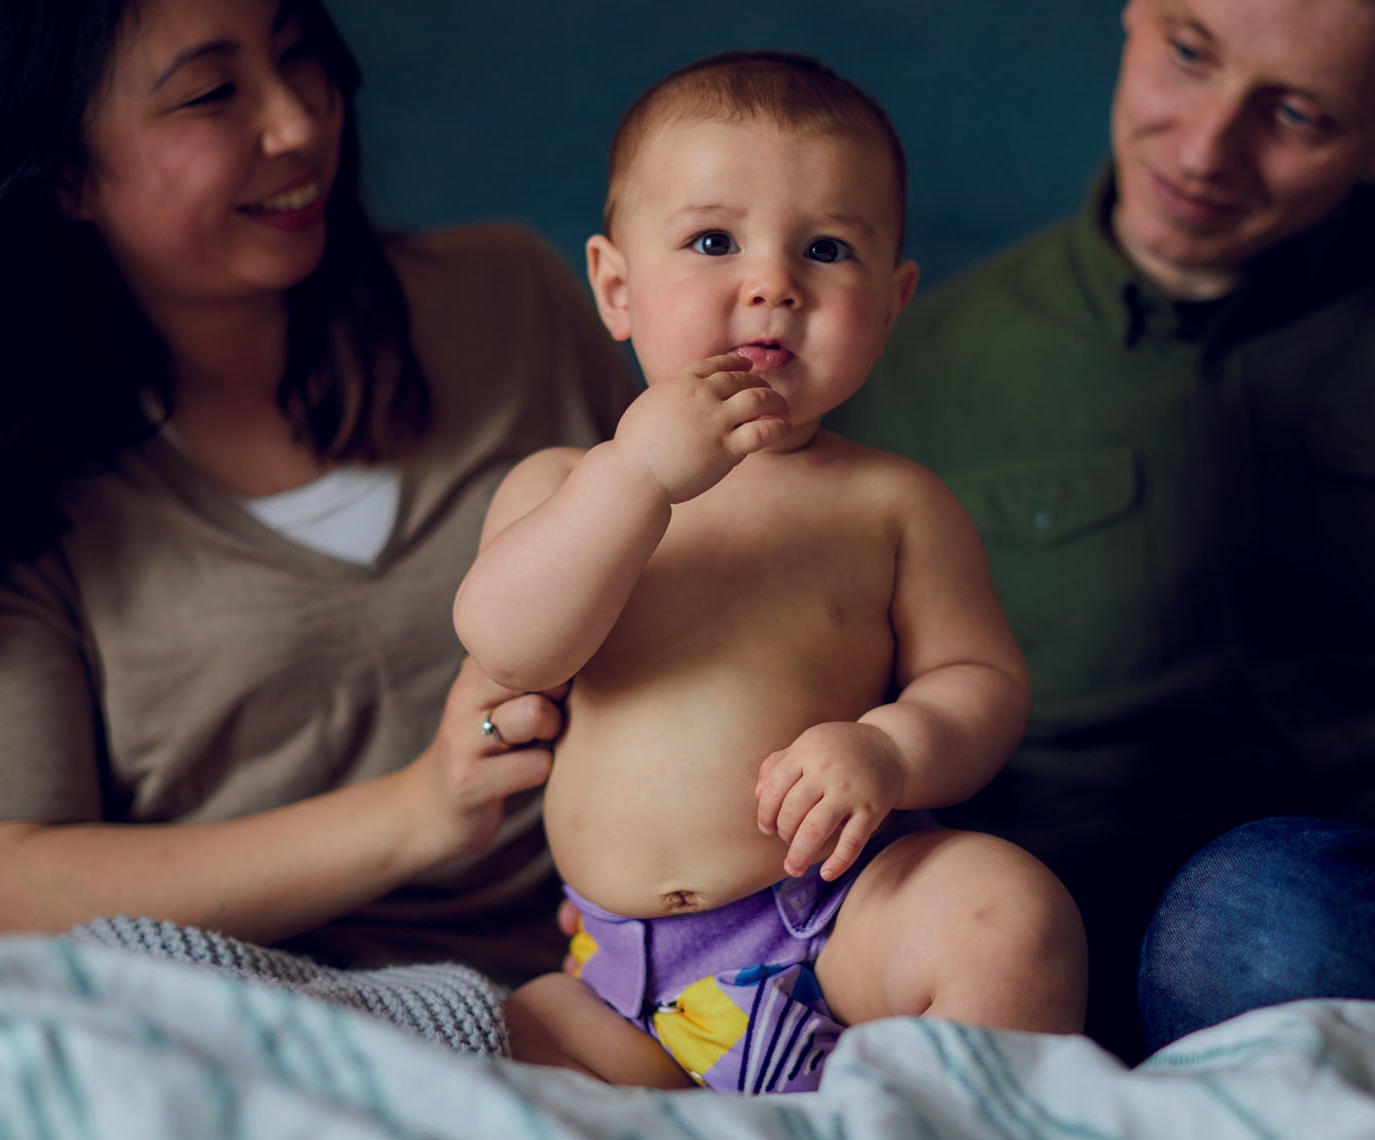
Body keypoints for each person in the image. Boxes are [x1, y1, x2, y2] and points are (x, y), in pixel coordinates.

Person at [830, 0, 1375, 1062]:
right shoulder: (896, 379)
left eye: (1297, 114)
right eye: (1189, 53)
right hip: (1241, 920)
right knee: (1256, 929)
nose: (1207, 148)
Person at [0, 0, 633, 983]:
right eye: (212, 93)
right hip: (280, 1021)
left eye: (298, 54)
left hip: (635, 974)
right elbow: (7, 887)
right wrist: (418, 811)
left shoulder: (510, 299)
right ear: (60, 172)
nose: (299, 123)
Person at [454, 51, 1087, 1093]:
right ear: (614, 288)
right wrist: (640, 478)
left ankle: (947, 1116)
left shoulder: (892, 504)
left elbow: (980, 684)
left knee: (1007, 913)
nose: (772, 285)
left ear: (891, 302)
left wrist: (888, 747)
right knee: (500, 1046)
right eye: (713, 240)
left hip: (841, 923)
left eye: (827, 250)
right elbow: (509, 643)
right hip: (621, 984)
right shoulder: (566, 487)